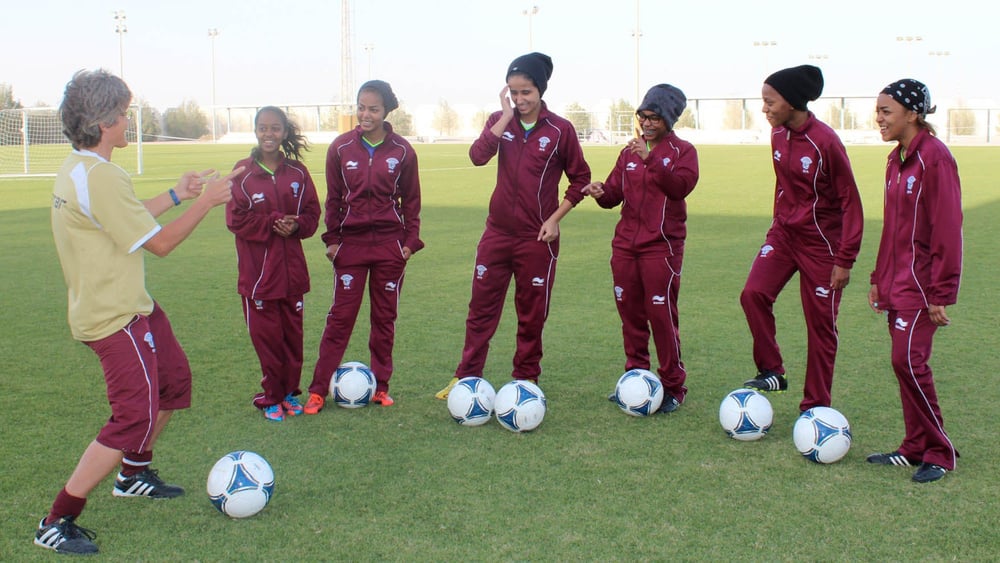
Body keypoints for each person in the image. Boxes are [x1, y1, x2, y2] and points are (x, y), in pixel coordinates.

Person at [39, 69, 242, 555]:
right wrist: (209, 203)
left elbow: (121, 217)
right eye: (125, 113)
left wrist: (178, 194)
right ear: (107, 120)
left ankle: (132, 476)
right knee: (132, 417)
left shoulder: (81, 169)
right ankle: (55, 520)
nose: (128, 120)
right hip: (113, 318)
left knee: (173, 384)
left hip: (134, 307)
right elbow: (164, 244)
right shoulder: (100, 176)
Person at [435, 52, 591, 399]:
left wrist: (554, 219)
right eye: (513, 92)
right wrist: (504, 117)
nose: (520, 100)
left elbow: (580, 179)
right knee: (480, 310)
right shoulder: (499, 120)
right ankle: (466, 377)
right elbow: (477, 157)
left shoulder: (559, 129)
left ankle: (526, 378)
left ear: (541, 91)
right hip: (497, 233)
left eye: (526, 93)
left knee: (532, 313)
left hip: (537, 237)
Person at [740, 64, 864, 413]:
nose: (764, 109)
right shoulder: (777, 135)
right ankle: (771, 371)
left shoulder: (826, 142)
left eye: (770, 102)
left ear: (792, 102)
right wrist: (778, 223)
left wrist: (844, 259)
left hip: (822, 246)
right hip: (784, 235)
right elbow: (785, 186)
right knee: (753, 294)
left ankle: (815, 407)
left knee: (821, 327)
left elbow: (850, 203)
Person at [303, 80, 423, 413]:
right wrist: (333, 241)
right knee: (340, 318)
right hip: (351, 248)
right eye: (361, 107)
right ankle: (317, 390)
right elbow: (334, 200)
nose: (365, 114)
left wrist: (409, 243)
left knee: (384, 319)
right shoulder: (340, 148)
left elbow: (411, 201)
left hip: (389, 247)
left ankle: (381, 387)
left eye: (372, 109)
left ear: (386, 112)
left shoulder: (402, 151)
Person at [581, 84, 699, 413]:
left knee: (661, 317)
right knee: (630, 314)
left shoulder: (683, 152)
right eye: (642, 116)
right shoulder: (628, 151)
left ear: (669, 119)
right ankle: (636, 377)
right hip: (625, 247)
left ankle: (674, 385)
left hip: (662, 248)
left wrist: (652, 162)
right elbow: (614, 195)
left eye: (654, 118)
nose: (646, 123)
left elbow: (679, 188)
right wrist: (599, 191)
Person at [866, 79, 962, 483]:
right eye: (879, 110)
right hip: (896, 283)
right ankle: (913, 446)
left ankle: (940, 451)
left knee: (907, 360)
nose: (879, 118)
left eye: (887, 111)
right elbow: (892, 228)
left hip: (923, 287)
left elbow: (947, 227)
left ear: (913, 114)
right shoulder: (895, 159)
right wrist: (877, 277)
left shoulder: (934, 158)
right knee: (904, 365)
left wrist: (942, 292)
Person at [226, 106, 321, 421]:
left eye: (275, 128)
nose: (269, 134)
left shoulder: (298, 173)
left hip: (292, 274)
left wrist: (296, 226)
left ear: (284, 132)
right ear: (255, 131)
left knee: (293, 339)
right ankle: (271, 398)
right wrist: (273, 222)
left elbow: (312, 214)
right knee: (267, 341)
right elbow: (235, 219)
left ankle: (291, 394)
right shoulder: (241, 174)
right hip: (258, 278)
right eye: (263, 128)